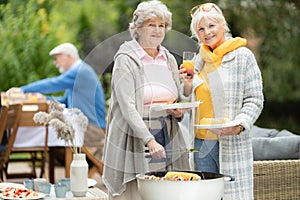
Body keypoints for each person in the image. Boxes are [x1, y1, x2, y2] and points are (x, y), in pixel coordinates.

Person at [102, 1, 190, 199]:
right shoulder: (126, 58)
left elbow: (177, 97)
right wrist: (149, 140)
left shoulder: (167, 57)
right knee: (135, 193)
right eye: (151, 25)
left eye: (161, 26)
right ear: (138, 28)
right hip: (135, 135)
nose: (158, 30)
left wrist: (178, 110)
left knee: (165, 191)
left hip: (166, 133)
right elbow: (127, 106)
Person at [179, 3, 264, 199]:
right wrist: (187, 85)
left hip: (230, 141)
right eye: (201, 29)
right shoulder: (198, 61)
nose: (207, 32)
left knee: (232, 195)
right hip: (201, 144)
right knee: (205, 195)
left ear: (223, 26)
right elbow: (188, 98)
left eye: (211, 25)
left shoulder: (243, 56)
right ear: (196, 34)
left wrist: (239, 125)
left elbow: (255, 99)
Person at [7, 42, 106, 163]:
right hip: (90, 127)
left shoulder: (80, 72)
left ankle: (80, 171)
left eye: (56, 58)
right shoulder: (79, 72)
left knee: (49, 139)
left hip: (92, 129)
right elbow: (64, 101)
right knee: (51, 139)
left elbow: (53, 83)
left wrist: (23, 90)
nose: (55, 62)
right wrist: (43, 99)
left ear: (68, 56)